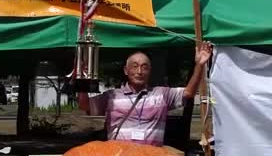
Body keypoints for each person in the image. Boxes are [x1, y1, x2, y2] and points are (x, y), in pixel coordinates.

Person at [79, 41, 213, 147]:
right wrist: (82, 79)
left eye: (144, 67)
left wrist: (199, 65)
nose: (139, 71)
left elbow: (188, 92)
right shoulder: (112, 96)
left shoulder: (162, 94)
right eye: (135, 66)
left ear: (150, 71)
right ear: (126, 70)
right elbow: (85, 106)